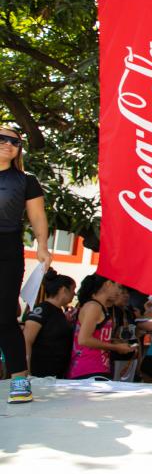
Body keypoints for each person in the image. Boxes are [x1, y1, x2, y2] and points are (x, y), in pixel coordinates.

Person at [0, 125, 52, 403]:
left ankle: (19, 379)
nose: (8, 144)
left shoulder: (25, 180)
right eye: (2, 139)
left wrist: (42, 246)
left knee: (5, 315)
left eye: (14, 142)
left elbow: (37, 216)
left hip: (6, 248)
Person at [68, 274, 134, 380]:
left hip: (98, 369)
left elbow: (97, 336)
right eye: (118, 287)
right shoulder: (93, 306)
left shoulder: (100, 307)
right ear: (108, 284)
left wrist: (115, 343)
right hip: (88, 370)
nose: (119, 292)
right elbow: (84, 339)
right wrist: (116, 347)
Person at [23, 269, 76, 378]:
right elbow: (26, 340)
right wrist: (27, 371)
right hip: (39, 374)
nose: (74, 293)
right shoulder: (42, 309)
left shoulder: (59, 312)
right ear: (63, 290)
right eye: (73, 289)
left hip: (56, 374)